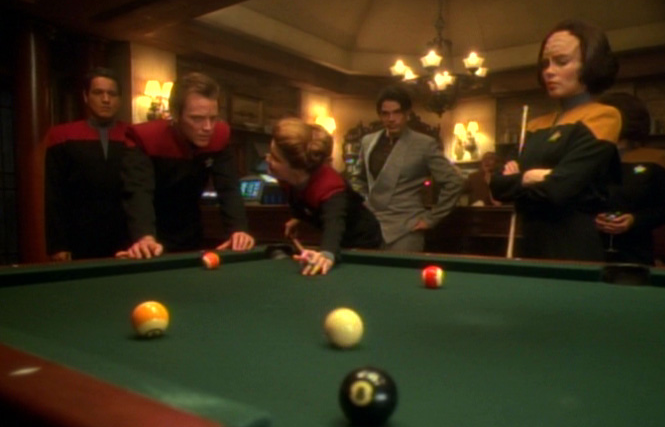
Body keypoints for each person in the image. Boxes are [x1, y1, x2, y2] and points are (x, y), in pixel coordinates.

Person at [490, 20, 622, 261]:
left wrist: (520, 179)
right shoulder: (534, 124)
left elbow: (560, 189)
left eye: (561, 62)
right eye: (545, 64)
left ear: (590, 65)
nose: (549, 71)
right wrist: (532, 177)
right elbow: (498, 186)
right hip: (529, 245)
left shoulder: (603, 116)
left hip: (572, 247)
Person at [120, 72, 254, 258]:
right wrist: (144, 236)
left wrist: (238, 229)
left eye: (213, 118)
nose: (208, 127)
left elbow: (229, 188)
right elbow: (138, 192)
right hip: (145, 230)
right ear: (175, 115)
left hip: (189, 229)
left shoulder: (220, 135)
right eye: (197, 119)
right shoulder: (145, 138)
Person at [351, 86, 462, 252]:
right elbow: (357, 178)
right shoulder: (368, 141)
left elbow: (454, 182)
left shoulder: (424, 144)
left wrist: (431, 219)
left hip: (406, 229)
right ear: (380, 115)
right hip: (371, 227)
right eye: (385, 114)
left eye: (397, 112)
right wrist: (364, 202)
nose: (391, 119)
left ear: (407, 113)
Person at [267, 118, 382, 276]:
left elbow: (334, 222)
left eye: (275, 158)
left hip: (363, 239)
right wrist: (298, 218)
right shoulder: (287, 179)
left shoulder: (330, 185)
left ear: (295, 167)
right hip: (339, 238)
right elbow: (303, 199)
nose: (267, 159)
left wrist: (327, 253)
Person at [44, 67, 130, 260]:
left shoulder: (133, 135)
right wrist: (58, 245)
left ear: (120, 99)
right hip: (78, 237)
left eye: (112, 94)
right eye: (98, 93)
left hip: (125, 237)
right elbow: (54, 194)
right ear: (85, 96)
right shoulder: (62, 136)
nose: (106, 99)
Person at [594, 92, 665, 265]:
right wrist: (592, 219)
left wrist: (634, 220)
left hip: (634, 251)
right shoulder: (588, 156)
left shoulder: (656, 159)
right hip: (588, 247)